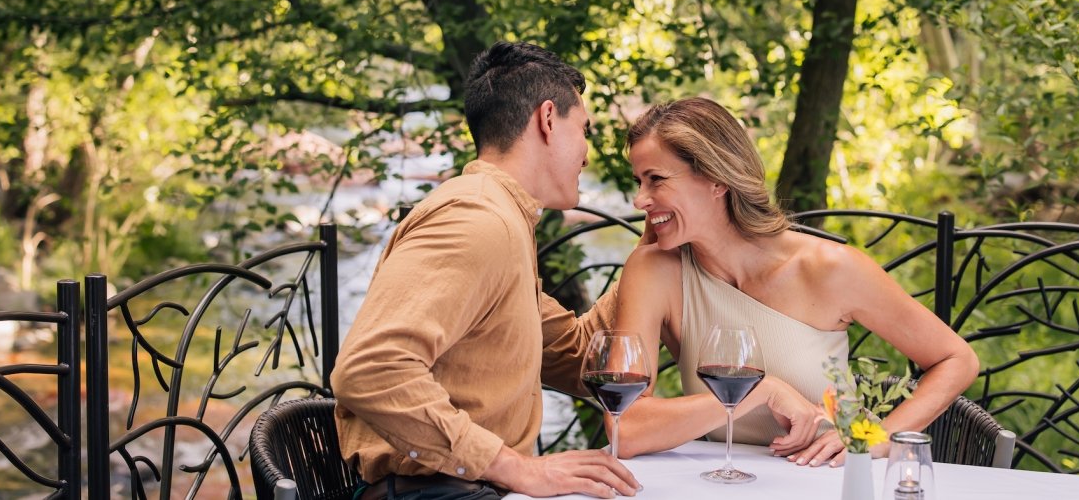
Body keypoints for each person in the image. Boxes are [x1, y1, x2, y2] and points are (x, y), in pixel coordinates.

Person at [331, 41, 641, 500]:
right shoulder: (477, 221)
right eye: (585, 131)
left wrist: (652, 251)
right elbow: (368, 369)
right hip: (435, 493)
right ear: (549, 119)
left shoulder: (504, 219)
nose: (588, 154)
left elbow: (579, 359)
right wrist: (513, 466)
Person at [613, 97, 979, 466]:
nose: (640, 200)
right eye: (639, 181)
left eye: (656, 180)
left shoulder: (829, 268)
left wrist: (877, 440)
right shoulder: (654, 269)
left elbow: (956, 359)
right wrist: (760, 391)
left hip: (833, 480)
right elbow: (624, 428)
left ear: (716, 179)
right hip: (723, 482)